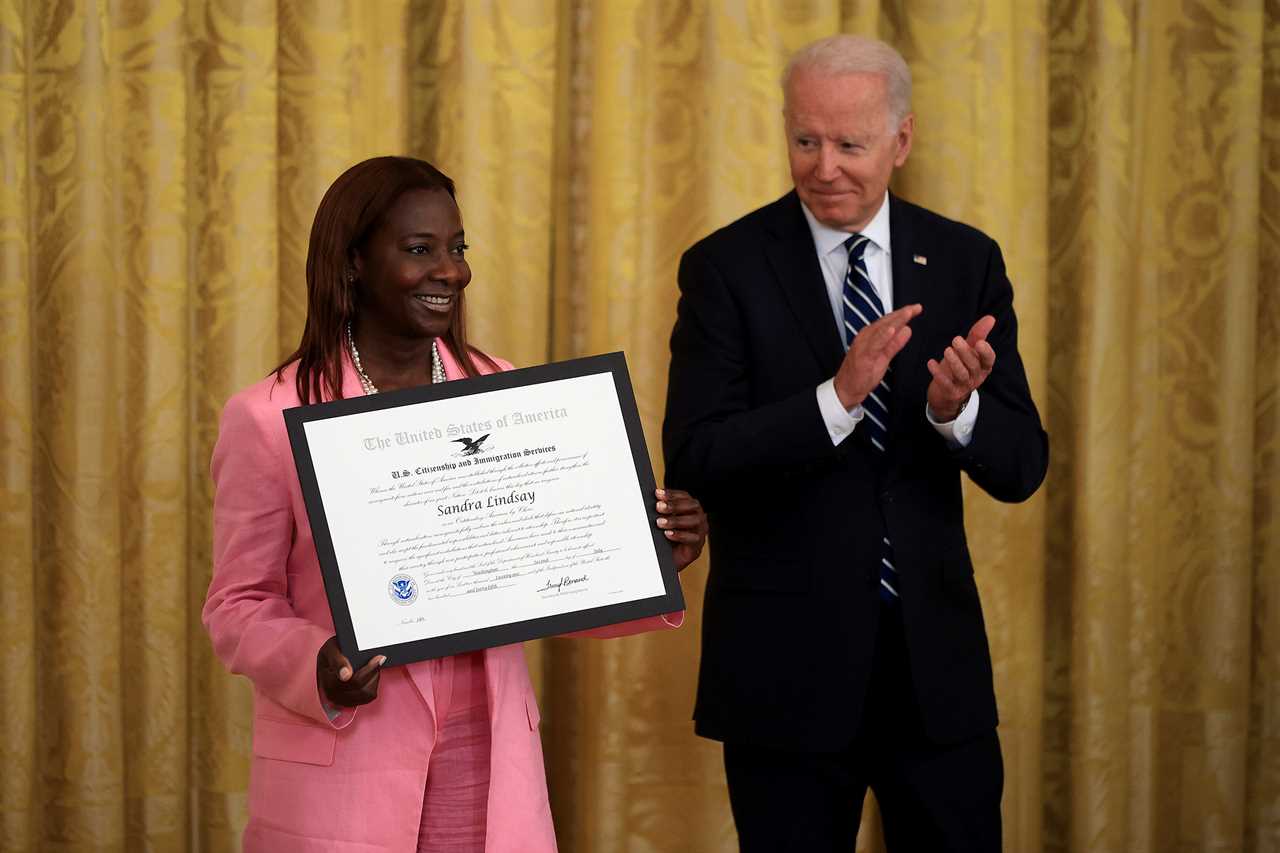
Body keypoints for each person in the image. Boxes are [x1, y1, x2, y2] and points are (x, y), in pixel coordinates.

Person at [203, 156, 707, 853]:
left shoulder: (503, 389)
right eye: (420, 250)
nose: (452, 270)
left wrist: (654, 555)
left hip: (490, 761)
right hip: (346, 768)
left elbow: (546, 572)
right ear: (352, 262)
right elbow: (237, 603)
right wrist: (314, 659)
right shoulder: (267, 415)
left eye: (457, 248)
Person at [662, 35, 1048, 852]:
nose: (824, 166)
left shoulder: (963, 260)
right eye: (806, 140)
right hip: (783, 676)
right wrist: (834, 400)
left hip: (935, 678)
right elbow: (697, 454)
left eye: (849, 143)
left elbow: (1022, 466)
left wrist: (956, 415)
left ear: (900, 141)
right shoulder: (724, 267)